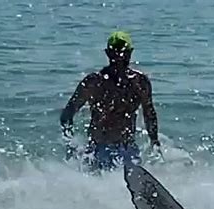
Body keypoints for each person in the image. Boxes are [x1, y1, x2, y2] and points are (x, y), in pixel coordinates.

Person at [60, 31, 161, 171]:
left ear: (107, 53)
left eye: (122, 54)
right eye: (117, 54)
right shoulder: (139, 82)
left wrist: (70, 143)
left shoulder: (94, 82)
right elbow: (149, 115)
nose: (119, 58)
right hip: (104, 149)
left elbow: (67, 115)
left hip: (116, 148)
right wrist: (155, 143)